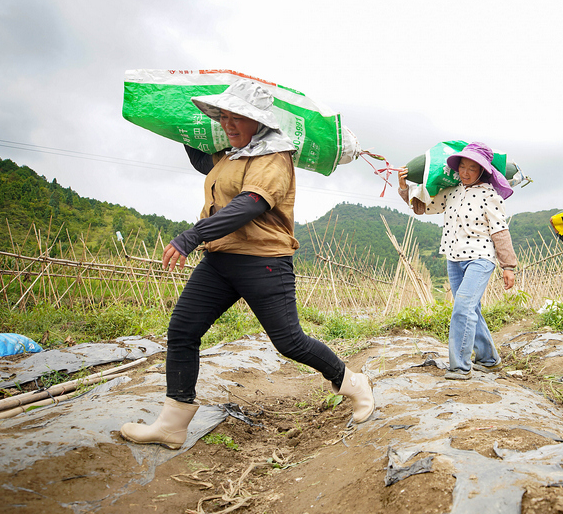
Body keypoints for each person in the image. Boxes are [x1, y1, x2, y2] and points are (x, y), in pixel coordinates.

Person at [121, 80, 374, 449]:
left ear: (258, 120)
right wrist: (172, 118)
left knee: (289, 342)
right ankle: (172, 426)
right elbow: (199, 158)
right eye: (223, 117)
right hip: (220, 260)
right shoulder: (232, 154)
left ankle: (352, 382)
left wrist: (191, 236)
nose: (228, 124)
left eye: (237, 117)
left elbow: (251, 203)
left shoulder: (274, 156)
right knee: (182, 331)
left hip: (263, 262)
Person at [397, 142, 517, 380]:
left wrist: (509, 266)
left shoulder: (489, 196)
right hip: (454, 258)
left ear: (482, 170)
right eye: (462, 166)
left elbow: (500, 231)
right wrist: (404, 188)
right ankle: (489, 359)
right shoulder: (451, 192)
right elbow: (422, 207)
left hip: (480, 258)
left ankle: (459, 367)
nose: (465, 172)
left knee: (462, 306)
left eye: (472, 168)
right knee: (470, 308)